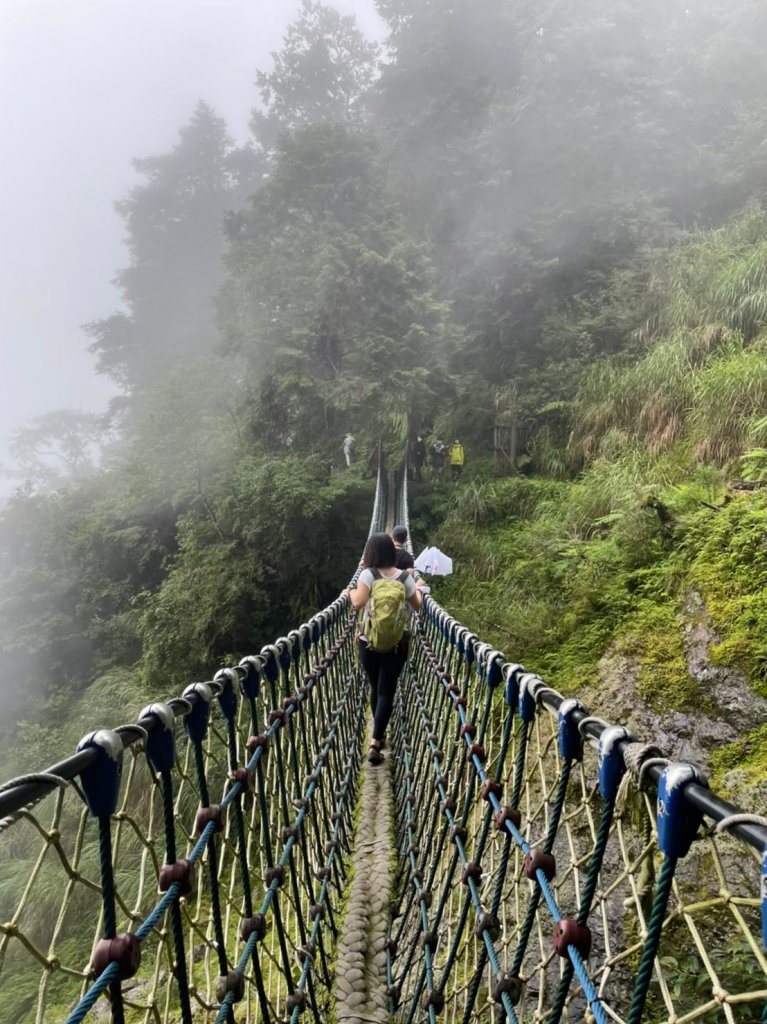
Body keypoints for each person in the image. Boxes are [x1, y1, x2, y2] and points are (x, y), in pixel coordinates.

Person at [341, 532, 422, 764]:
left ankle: (377, 737)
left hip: (368, 643)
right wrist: (421, 590)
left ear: (370, 552)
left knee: (375, 688)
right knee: (387, 690)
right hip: (397, 645)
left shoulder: (367, 574)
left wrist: (348, 593)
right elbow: (416, 607)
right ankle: (376, 741)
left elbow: (357, 603)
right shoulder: (404, 578)